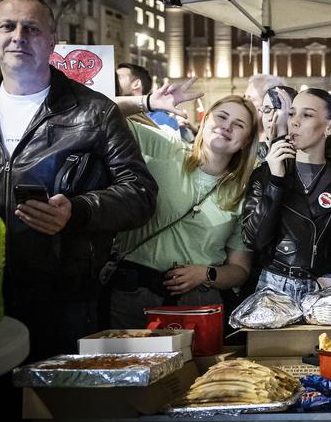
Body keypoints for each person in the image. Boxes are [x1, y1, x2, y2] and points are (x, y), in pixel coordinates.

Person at [0, 0, 157, 359]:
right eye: (8, 27)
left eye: (31, 28)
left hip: (63, 302)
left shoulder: (94, 112)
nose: (18, 36)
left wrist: (77, 210)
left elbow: (140, 193)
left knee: (55, 411)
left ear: (52, 41)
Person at [109, 94, 259, 328]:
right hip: (134, 294)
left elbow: (239, 269)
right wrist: (148, 102)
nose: (226, 126)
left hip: (198, 302)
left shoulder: (242, 192)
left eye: (239, 125)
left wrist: (206, 274)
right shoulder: (166, 147)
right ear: (206, 119)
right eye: (221, 116)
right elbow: (103, 110)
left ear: (246, 141)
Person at [243, 88, 331, 302]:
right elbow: (253, 240)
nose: (295, 122)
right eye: (291, 114)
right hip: (274, 286)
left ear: (330, 127)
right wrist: (275, 181)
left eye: (307, 115)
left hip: (324, 289)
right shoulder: (266, 173)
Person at [245, 73, 284, 162]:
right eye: (245, 97)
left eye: (250, 99)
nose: (244, 103)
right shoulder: (241, 137)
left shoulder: (281, 143)